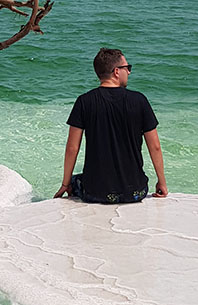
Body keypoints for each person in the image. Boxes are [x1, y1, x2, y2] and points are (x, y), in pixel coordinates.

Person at [54, 47, 168, 203]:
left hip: (95, 192)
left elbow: (72, 148)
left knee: (76, 181)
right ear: (116, 71)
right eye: (127, 68)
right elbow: (154, 146)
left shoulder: (84, 101)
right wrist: (161, 182)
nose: (128, 72)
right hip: (135, 192)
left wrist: (65, 184)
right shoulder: (140, 100)